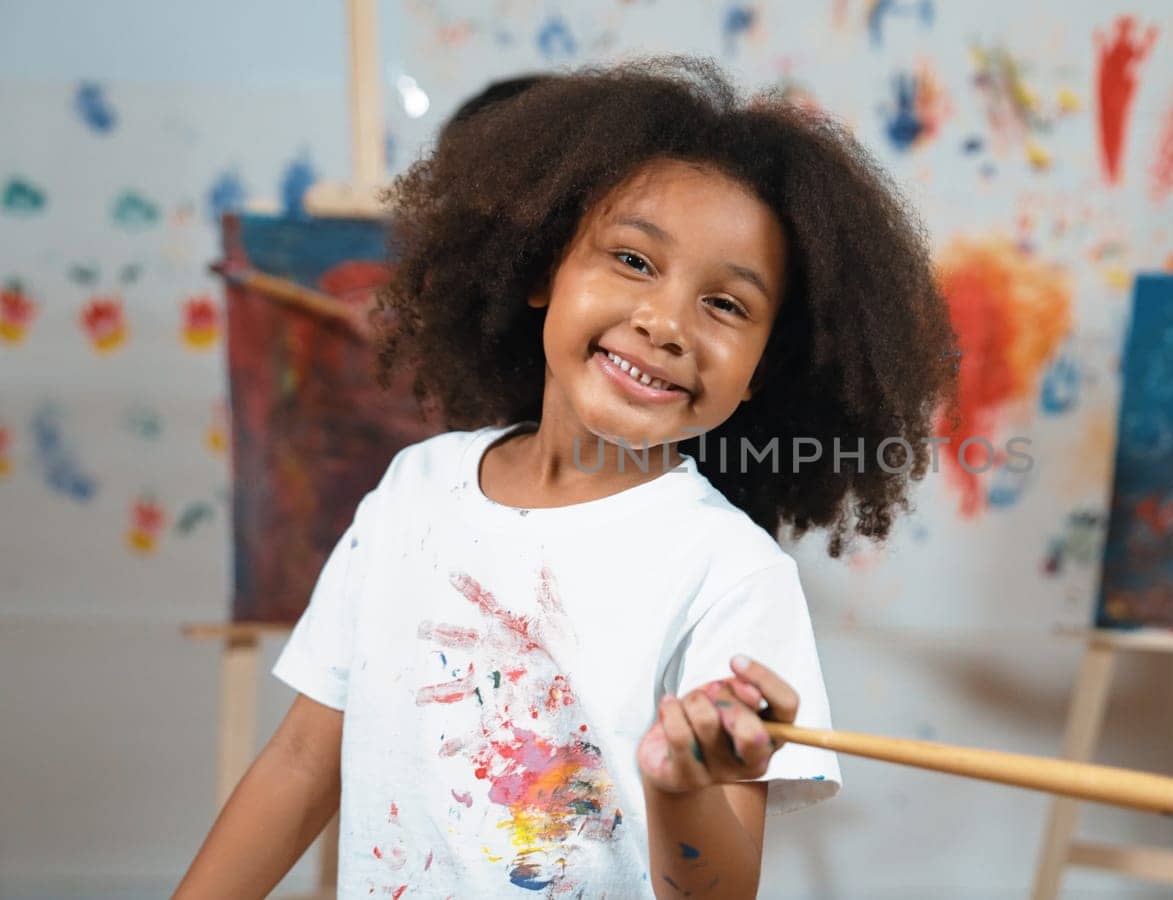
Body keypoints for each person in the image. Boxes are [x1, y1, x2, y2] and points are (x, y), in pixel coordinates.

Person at [176, 56, 958, 898]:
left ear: (765, 368)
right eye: (632, 259)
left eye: (726, 305)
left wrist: (681, 786)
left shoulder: (733, 575)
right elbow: (300, 760)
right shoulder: (416, 489)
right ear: (544, 267)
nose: (664, 322)